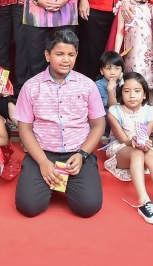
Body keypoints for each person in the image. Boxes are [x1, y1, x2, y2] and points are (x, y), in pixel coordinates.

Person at [15, 29, 105, 218]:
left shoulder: (88, 85)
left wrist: (82, 154)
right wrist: (42, 162)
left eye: (71, 54)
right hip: (42, 152)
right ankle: (49, 179)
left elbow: (98, 125)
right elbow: (24, 129)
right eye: (59, 54)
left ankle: (64, 181)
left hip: (77, 153)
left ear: (77, 55)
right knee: (28, 207)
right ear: (47, 55)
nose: (66, 60)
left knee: (88, 207)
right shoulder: (31, 87)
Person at [105, 72, 153, 224]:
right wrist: (133, 141)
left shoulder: (151, 112)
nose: (132, 95)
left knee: (148, 152)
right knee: (139, 151)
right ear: (121, 93)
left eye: (137, 91)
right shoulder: (114, 112)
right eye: (127, 91)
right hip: (121, 149)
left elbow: (144, 136)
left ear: (145, 94)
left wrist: (143, 143)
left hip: (140, 149)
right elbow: (123, 139)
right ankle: (144, 201)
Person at [114, 0, 153, 98]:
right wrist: (116, 53)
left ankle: (151, 102)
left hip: (150, 50)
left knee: (149, 79)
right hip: (131, 51)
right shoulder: (124, 8)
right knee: (133, 77)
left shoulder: (152, 9)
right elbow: (120, 32)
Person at [95, 50, 124, 114]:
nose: (113, 73)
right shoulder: (98, 85)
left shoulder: (123, 82)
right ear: (102, 71)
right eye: (108, 68)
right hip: (107, 117)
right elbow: (112, 108)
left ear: (122, 70)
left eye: (117, 68)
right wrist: (110, 90)